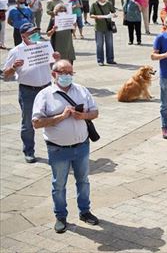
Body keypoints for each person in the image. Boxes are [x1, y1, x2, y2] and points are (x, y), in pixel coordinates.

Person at [31, 59, 100, 234]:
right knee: (59, 185)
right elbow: (37, 123)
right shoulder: (45, 94)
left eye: (70, 72)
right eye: (63, 72)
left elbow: (95, 112)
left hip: (81, 146)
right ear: (54, 74)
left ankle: (85, 211)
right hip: (57, 148)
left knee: (83, 181)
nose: (67, 76)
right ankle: (61, 216)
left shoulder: (81, 90)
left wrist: (82, 116)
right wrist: (61, 117)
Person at [3, 23, 60, 163]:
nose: (35, 34)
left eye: (35, 31)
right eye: (31, 33)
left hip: (46, 88)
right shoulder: (16, 51)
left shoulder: (44, 46)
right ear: (23, 36)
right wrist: (14, 67)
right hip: (28, 91)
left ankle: (56, 149)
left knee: (54, 119)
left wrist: (57, 60)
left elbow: (53, 66)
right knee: (28, 123)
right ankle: (29, 151)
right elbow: (6, 75)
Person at [89, 0, 117, 66]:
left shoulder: (108, 4)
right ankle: (100, 60)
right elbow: (91, 15)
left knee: (110, 44)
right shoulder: (94, 5)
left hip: (108, 27)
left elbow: (113, 12)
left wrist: (113, 15)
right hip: (99, 27)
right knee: (99, 45)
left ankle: (110, 59)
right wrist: (97, 17)